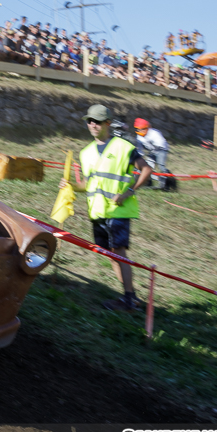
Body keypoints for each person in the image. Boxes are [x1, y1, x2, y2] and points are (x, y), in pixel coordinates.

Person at [60, 105, 152, 312]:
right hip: (97, 212)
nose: (93, 124)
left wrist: (129, 192)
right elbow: (87, 184)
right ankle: (129, 297)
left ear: (108, 123)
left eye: (98, 121)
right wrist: (71, 186)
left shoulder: (124, 147)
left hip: (118, 211)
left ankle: (129, 299)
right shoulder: (86, 153)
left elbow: (147, 170)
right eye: (89, 121)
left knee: (119, 252)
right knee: (111, 254)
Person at [133, 118, 170, 189]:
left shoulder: (154, 133)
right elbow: (140, 150)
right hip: (152, 151)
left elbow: (160, 144)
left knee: (161, 166)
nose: (140, 131)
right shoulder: (138, 137)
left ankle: (165, 183)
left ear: (146, 128)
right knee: (147, 166)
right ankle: (148, 182)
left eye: (142, 129)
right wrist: (139, 157)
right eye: (138, 129)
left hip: (161, 150)